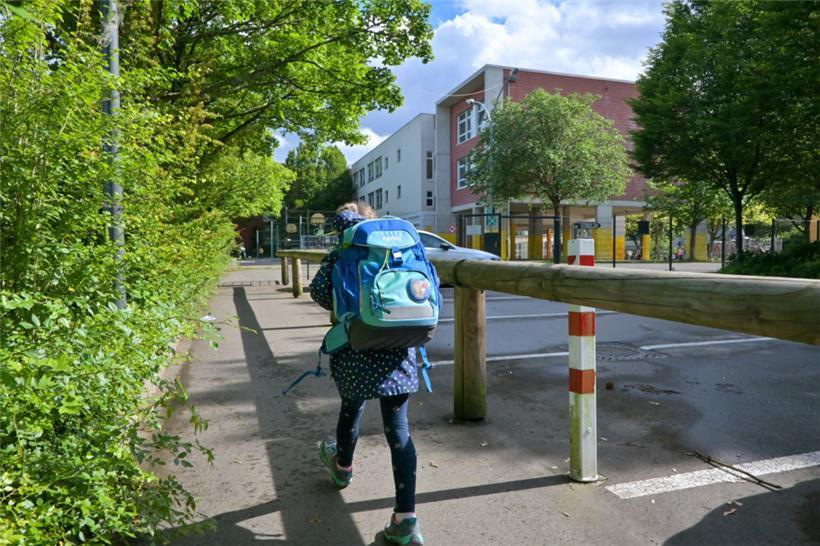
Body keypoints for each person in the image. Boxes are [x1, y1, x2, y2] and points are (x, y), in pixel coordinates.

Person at [308, 202, 424, 545]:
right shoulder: (401, 247)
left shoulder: (342, 252)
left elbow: (319, 293)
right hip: (400, 347)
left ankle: (343, 468)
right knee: (399, 430)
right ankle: (406, 519)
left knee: (351, 409)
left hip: (355, 347)